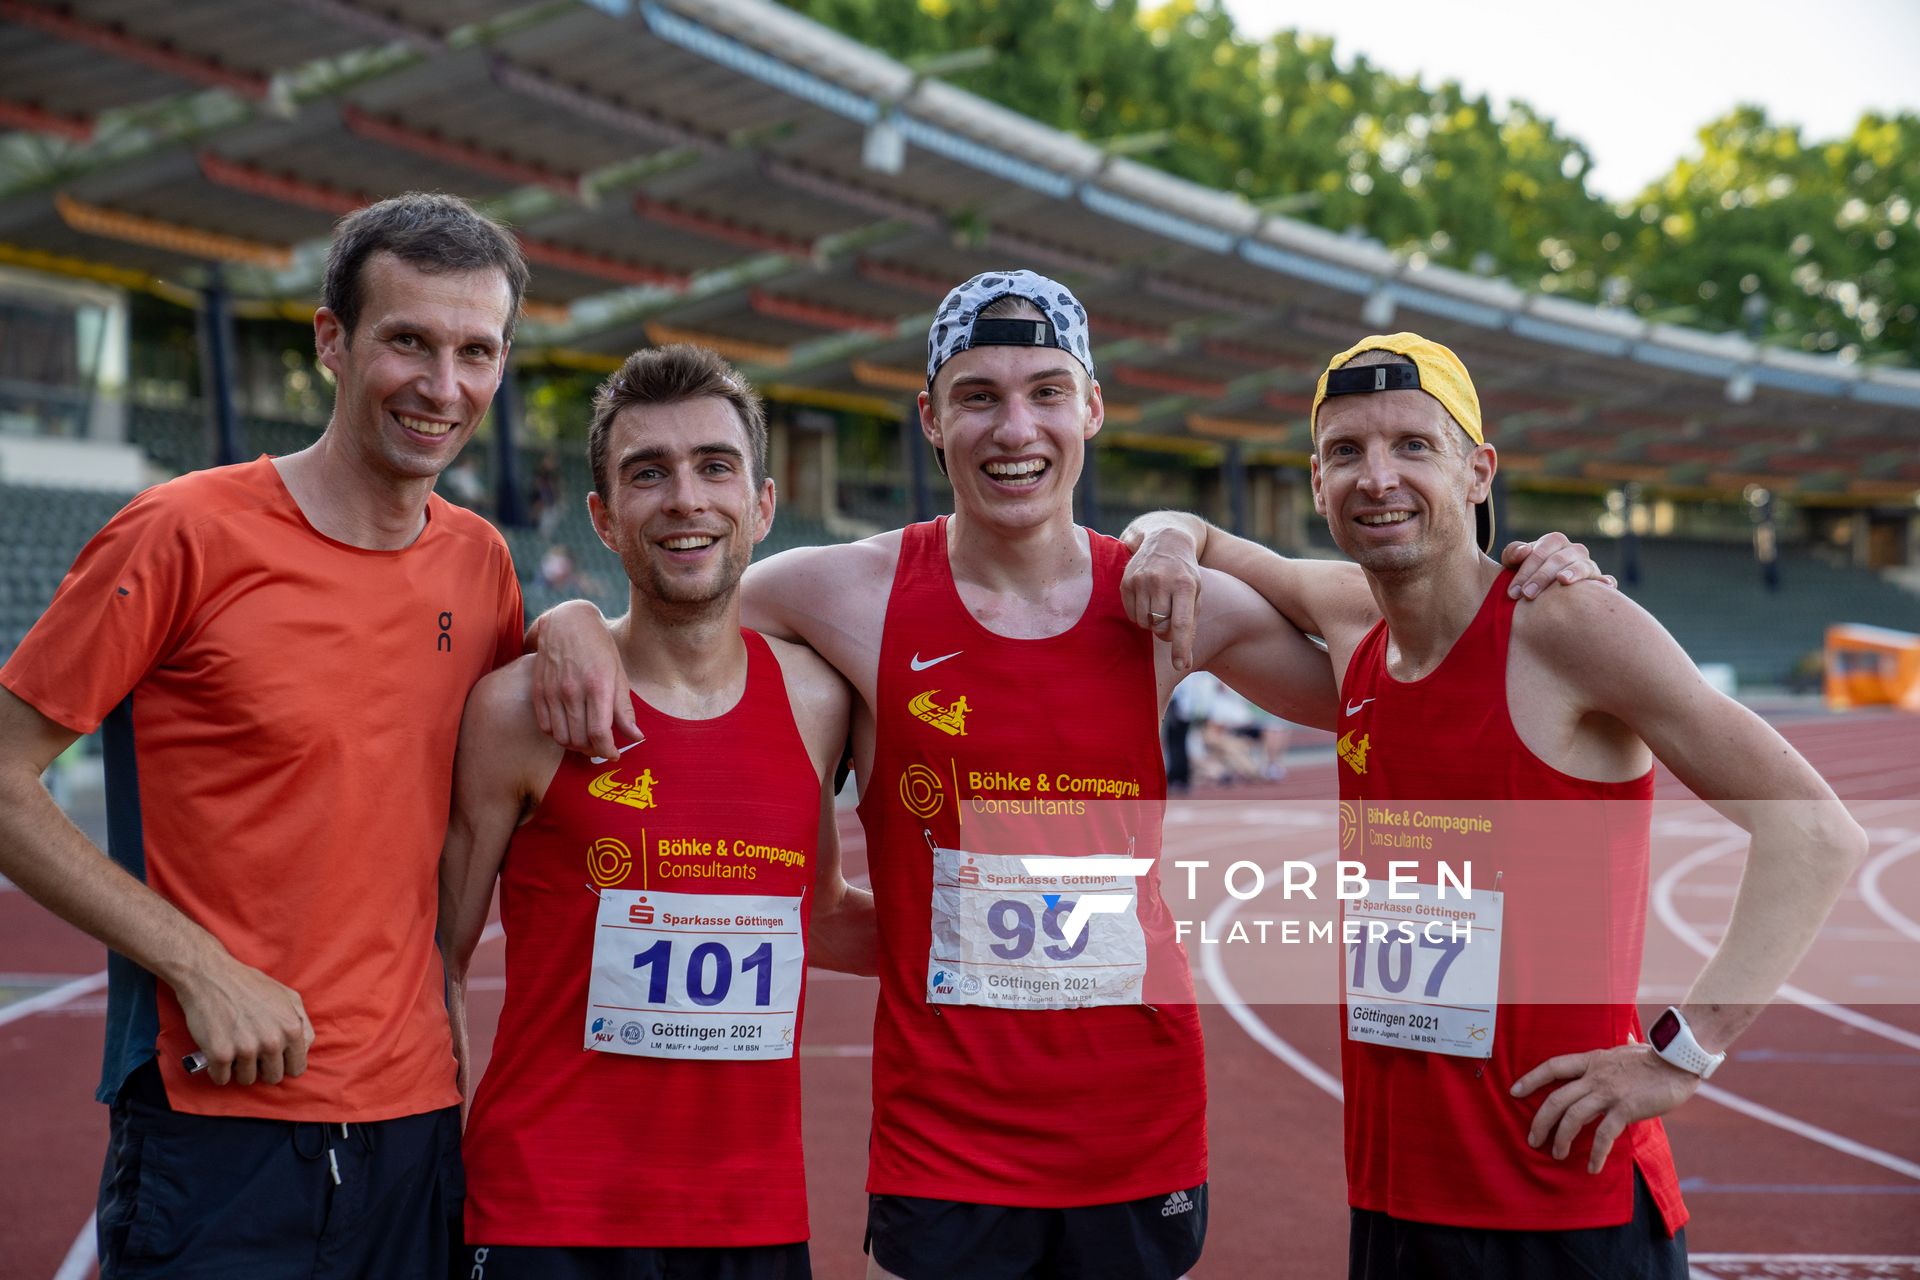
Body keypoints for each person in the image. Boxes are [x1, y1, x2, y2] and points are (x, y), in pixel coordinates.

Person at [533, 274, 1604, 1280]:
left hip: (1135, 1129)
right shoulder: (839, 593)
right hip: (941, 1144)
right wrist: (568, 617)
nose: (1014, 428)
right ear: (931, 417)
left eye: (1047, 393)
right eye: (979, 397)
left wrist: (1536, 573)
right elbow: (676, 607)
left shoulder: (1160, 605)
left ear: (1091, 406)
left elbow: (1410, 632)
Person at [1121, 332, 1866, 1278]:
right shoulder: (1357, 627)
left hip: (1564, 1203)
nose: (1376, 477)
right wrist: (1178, 540)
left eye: (1413, 446)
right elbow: (1184, 529)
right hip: (1395, 1198)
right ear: (1316, 483)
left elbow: (1813, 830)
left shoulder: (1564, 623)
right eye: (1346, 452)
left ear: (1479, 473)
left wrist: (1685, 1053)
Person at [0, 191, 530, 1276]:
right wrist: (197, 963)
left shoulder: (483, 567)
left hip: (417, 1120)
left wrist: (569, 626)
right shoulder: (182, 531)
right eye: (409, 341)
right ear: (330, 341)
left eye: (477, 350)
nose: (444, 387)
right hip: (216, 1118)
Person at [439, 345, 875, 1279]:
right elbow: (436, 959)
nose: (685, 499)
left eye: (715, 466)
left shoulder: (821, 702)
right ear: (603, 517)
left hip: (752, 1222)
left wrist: (1046, 930)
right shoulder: (520, 711)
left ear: (761, 504)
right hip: (544, 1217)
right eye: (649, 474)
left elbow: (825, 914)